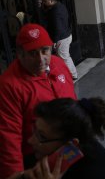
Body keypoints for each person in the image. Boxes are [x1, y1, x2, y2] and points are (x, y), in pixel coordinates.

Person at [0, 23, 76, 179]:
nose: (41, 59)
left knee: (103, 167)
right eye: (33, 53)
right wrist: (15, 175)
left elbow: (73, 102)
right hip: (38, 153)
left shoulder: (59, 64)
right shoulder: (8, 85)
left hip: (69, 144)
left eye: (44, 51)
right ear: (20, 55)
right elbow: (8, 136)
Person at [8, 97, 105, 179]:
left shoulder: (103, 172)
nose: (30, 140)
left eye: (41, 136)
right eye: (34, 130)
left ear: (71, 145)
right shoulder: (38, 160)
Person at [41, 0, 78, 80]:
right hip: (66, 35)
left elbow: (57, 27)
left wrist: (54, 41)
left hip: (61, 38)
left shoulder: (55, 11)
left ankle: (73, 75)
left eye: (45, 1)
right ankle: (72, 74)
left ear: (51, 0)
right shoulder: (60, 6)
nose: (44, 3)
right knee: (65, 57)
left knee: (65, 58)